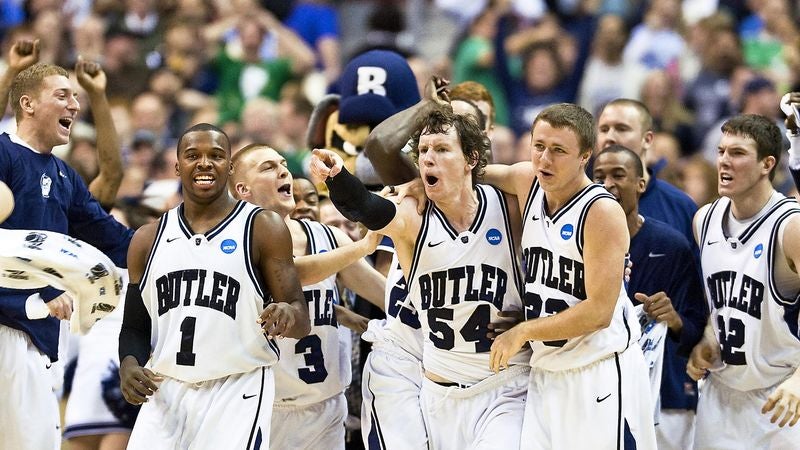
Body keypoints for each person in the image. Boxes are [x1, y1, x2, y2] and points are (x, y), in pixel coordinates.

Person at [312, 109, 531, 450]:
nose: (429, 158)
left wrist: (531, 318)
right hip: (440, 392)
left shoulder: (508, 208)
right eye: (424, 151)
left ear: (471, 158)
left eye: (442, 149)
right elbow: (367, 208)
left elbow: (541, 182)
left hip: (507, 387)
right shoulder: (412, 215)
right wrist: (338, 177)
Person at [118, 124, 311, 449]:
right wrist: (128, 365)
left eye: (216, 156)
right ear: (178, 166)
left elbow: (301, 317)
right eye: (193, 155)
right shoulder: (146, 240)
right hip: (166, 388)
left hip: (237, 388)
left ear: (230, 167)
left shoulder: (263, 227)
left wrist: (286, 314)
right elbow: (134, 327)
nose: (205, 163)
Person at [484, 103, 656, 449]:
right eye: (539, 146)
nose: (544, 159)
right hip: (547, 373)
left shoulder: (600, 211)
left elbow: (598, 311)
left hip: (597, 373)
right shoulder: (527, 181)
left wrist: (524, 330)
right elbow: (468, 172)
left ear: (585, 156)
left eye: (558, 150)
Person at [0, 48, 134, 448]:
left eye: (75, 97)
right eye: (62, 95)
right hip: (11, 324)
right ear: (27, 104)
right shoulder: (4, 154)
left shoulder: (65, 177)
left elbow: (114, 239)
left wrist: (181, 243)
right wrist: (40, 293)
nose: (74, 105)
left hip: (36, 335)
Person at [229, 144, 385, 450]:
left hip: (325, 407)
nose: (283, 171)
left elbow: (386, 296)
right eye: (268, 167)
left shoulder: (326, 237)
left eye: (284, 163)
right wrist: (362, 248)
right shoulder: (233, 243)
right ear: (242, 189)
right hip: (260, 408)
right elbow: (291, 271)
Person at [687, 114, 800, 449]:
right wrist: (707, 342)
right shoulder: (703, 220)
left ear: (767, 164)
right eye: (721, 151)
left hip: (781, 397)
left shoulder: (789, 228)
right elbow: (718, 303)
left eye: (737, 153)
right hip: (720, 398)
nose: (723, 160)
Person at [593, 145, 708, 450]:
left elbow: (697, 325)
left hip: (663, 392)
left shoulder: (671, 245)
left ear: (641, 184)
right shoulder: (577, 243)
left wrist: (674, 320)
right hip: (595, 389)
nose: (607, 184)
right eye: (599, 176)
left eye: (619, 175)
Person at [596, 99, 698, 248]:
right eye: (604, 130)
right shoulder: (580, 202)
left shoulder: (681, 207)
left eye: (621, 129)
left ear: (647, 139)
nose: (609, 137)